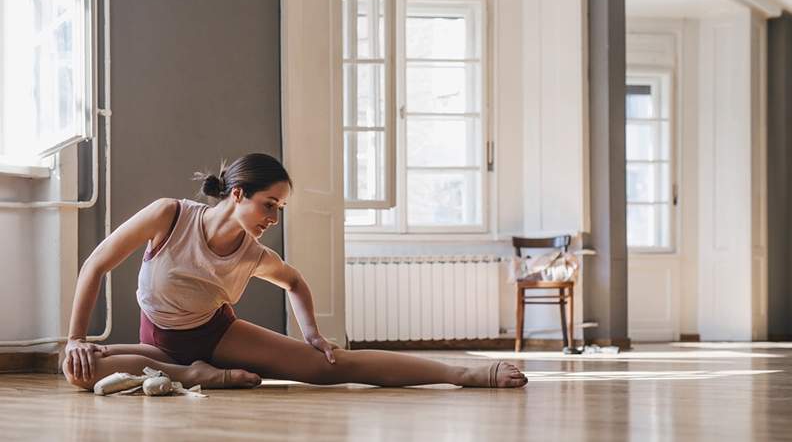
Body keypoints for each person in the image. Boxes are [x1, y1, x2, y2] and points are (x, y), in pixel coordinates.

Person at [63, 153, 528, 390]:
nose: (274, 218)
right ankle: (192, 376)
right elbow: (96, 264)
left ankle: (463, 374)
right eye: (270, 204)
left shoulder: (254, 254)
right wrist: (76, 337)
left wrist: (313, 335)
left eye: (281, 208)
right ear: (239, 194)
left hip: (217, 336)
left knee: (334, 366)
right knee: (75, 369)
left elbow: (295, 282)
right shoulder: (169, 216)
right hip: (158, 341)